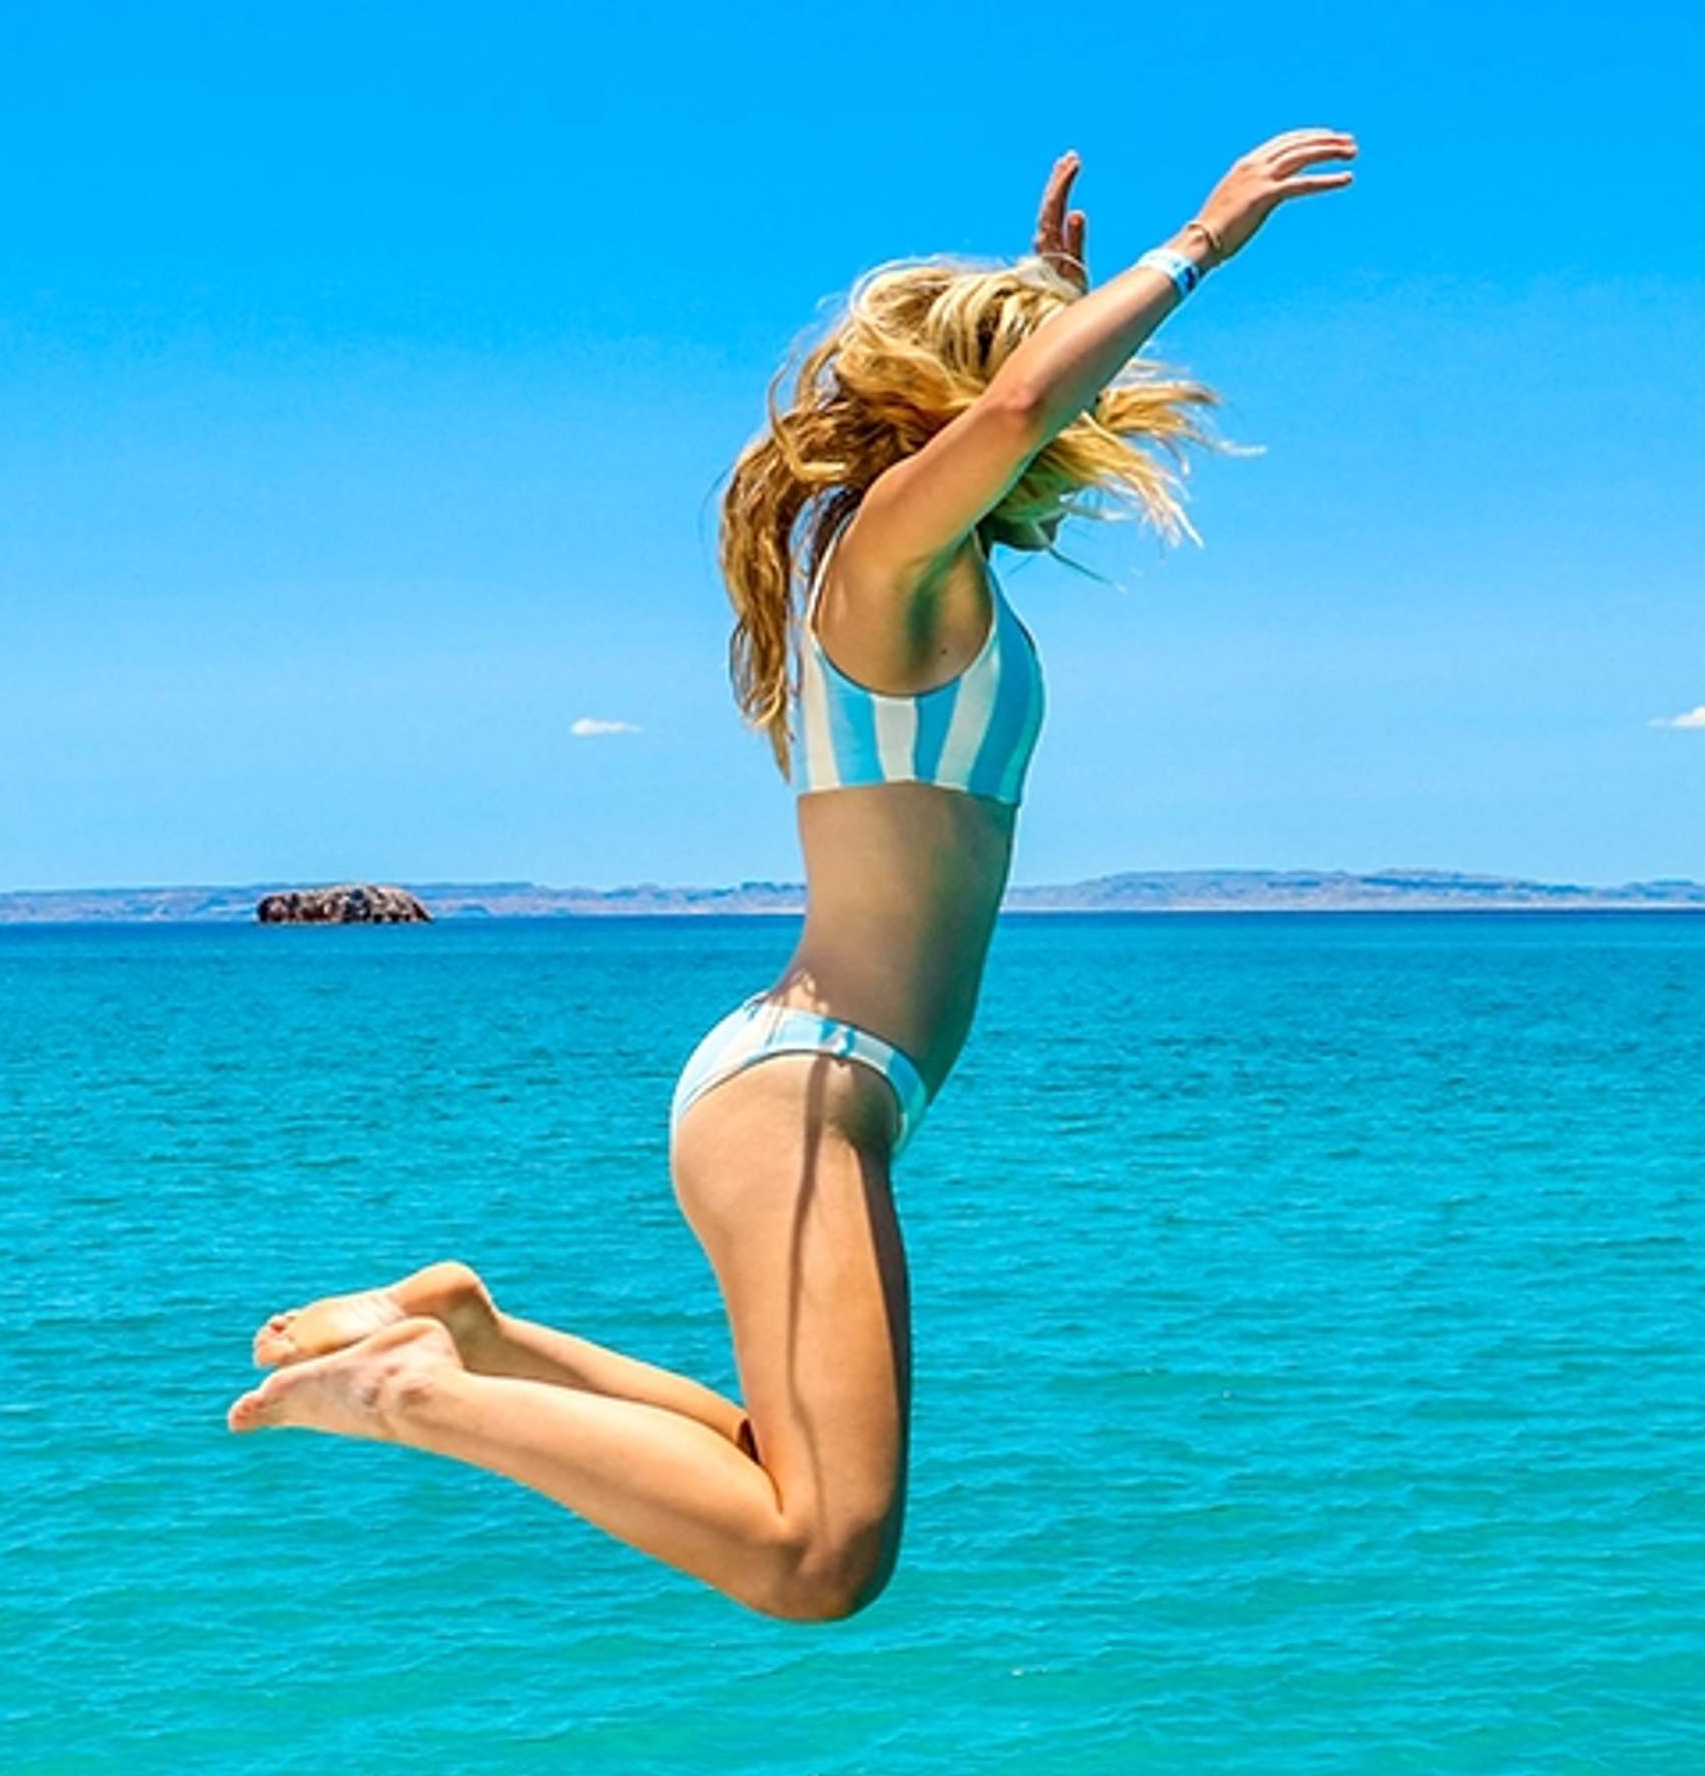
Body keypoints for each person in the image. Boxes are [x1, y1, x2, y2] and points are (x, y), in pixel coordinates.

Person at [232, 134, 1357, 1619]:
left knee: (783, 1472)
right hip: (807, 1090)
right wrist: (1197, 247)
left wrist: (1048, 303)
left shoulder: (926, 575)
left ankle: (480, 1338)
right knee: (820, 1559)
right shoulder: (886, 557)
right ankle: (415, 1392)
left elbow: (1022, 417)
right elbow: (1022, 408)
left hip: (817, 1086)